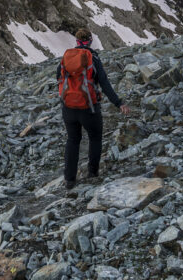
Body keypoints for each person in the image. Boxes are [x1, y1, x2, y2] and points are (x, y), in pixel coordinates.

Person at [56, 27, 130, 189]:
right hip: (89, 107)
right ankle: (92, 172)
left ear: (76, 41)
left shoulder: (66, 58)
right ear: (90, 41)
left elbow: (58, 79)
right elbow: (104, 84)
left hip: (68, 107)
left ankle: (69, 179)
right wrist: (119, 103)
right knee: (95, 138)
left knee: (73, 140)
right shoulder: (93, 59)